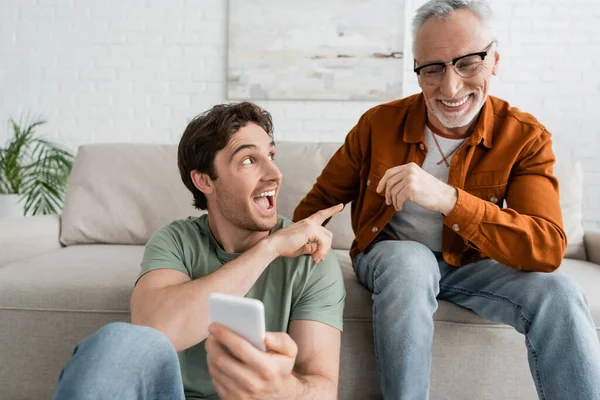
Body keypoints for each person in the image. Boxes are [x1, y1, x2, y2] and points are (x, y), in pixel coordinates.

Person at [293, 0, 600, 399]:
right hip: (392, 257)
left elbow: (545, 247)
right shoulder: (377, 124)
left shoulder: (525, 136)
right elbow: (318, 203)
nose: (450, 87)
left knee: (559, 291)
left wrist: (448, 198)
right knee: (412, 262)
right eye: (433, 69)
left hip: (475, 263)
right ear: (417, 70)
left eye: (468, 62)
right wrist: (306, 234)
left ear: (494, 59)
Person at [52, 102, 346, 400]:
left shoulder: (312, 256)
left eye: (271, 155)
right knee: (117, 339)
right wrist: (269, 248)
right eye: (248, 160)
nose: (274, 174)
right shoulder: (176, 241)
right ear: (204, 180)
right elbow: (155, 329)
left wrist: (282, 389)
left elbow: (322, 389)